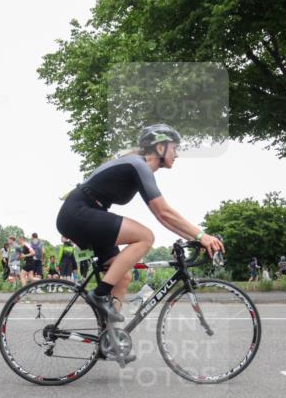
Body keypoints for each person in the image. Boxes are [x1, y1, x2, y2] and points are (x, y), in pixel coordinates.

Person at [55, 123, 224, 340]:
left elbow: (162, 216)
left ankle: (109, 340)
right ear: (160, 147)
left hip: (84, 214)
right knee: (145, 237)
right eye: (175, 147)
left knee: (123, 277)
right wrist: (202, 236)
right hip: (78, 213)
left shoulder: (138, 167)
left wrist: (195, 237)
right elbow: (163, 212)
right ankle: (99, 295)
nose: (178, 154)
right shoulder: (138, 165)